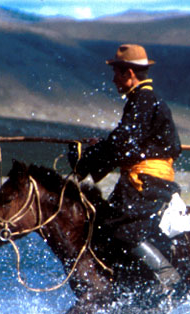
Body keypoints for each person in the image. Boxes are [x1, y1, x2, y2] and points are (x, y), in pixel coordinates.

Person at [69, 44, 183, 294]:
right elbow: (127, 143)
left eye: (117, 73)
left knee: (118, 228)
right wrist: (99, 149)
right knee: (105, 224)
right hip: (145, 176)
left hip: (146, 179)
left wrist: (86, 159)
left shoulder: (144, 100)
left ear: (129, 73)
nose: (113, 79)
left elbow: (123, 143)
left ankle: (165, 273)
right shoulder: (143, 100)